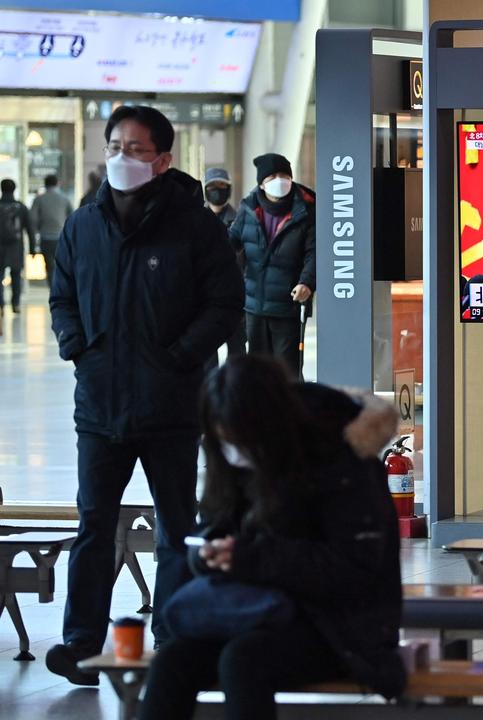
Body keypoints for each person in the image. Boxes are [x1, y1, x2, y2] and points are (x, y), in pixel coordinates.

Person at [46, 105, 243, 686]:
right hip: (99, 406)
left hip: (173, 407)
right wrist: (76, 346)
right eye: (114, 146)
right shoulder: (84, 224)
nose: (121, 158)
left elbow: (226, 304)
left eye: (134, 149)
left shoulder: (195, 227)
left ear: (162, 160)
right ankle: (81, 642)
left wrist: (182, 356)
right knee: (92, 524)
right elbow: (62, 295)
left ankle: (174, 636)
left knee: (177, 527)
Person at [138, 355, 406, 719]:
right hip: (255, 613)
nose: (234, 451)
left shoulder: (342, 461)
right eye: (224, 441)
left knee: (243, 660)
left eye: (239, 440)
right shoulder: (237, 459)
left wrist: (250, 557)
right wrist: (206, 555)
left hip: (340, 627)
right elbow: (215, 524)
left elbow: (353, 569)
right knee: (172, 660)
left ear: (270, 424)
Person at [229, 152, 316, 376]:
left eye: (284, 175)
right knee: (257, 368)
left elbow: (314, 252)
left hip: (288, 305)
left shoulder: (305, 210)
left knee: (288, 370)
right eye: (272, 177)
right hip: (254, 305)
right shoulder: (249, 209)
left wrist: (307, 282)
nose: (279, 181)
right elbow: (231, 243)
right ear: (262, 183)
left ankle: (290, 411)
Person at [204, 167, 246, 363]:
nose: (217, 190)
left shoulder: (241, 220)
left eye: (222, 185)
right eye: (212, 186)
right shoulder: (195, 220)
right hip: (203, 300)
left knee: (236, 353)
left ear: (229, 189)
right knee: (206, 352)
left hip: (234, 298)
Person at [30, 174, 73, 285]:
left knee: (49, 265)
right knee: (62, 264)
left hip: (46, 237)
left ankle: (52, 287)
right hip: (61, 237)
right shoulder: (65, 199)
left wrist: (36, 231)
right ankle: (61, 287)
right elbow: (72, 217)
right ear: (57, 183)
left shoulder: (39, 199)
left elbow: (33, 219)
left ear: (45, 184)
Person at [0, 178, 35, 314]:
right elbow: (29, 229)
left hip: (0, 247)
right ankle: (16, 304)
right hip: (16, 246)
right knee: (16, 276)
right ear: (14, 189)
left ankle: (1, 305)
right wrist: (32, 248)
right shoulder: (21, 207)